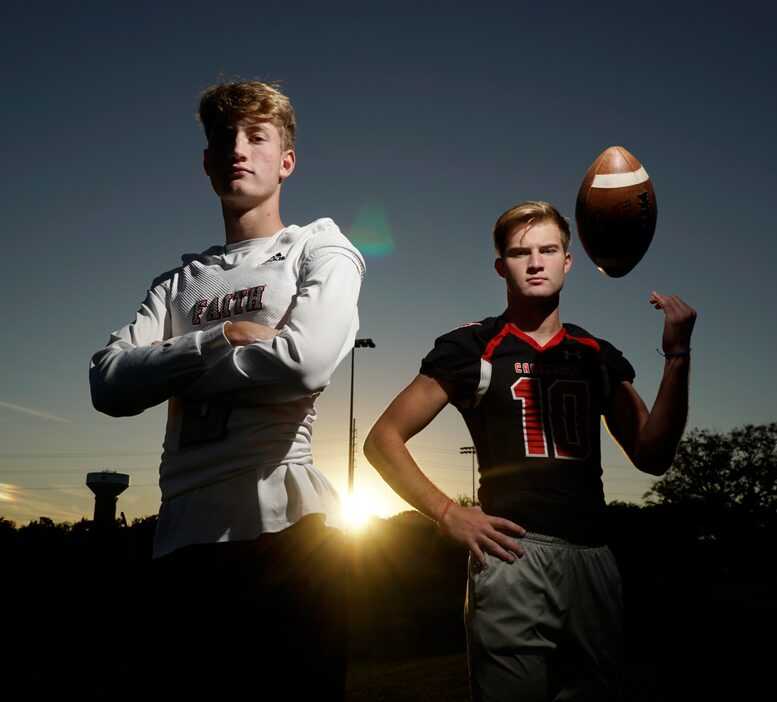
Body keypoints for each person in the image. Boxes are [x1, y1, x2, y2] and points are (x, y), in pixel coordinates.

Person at [89, 80, 365, 698]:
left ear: (285, 161)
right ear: (208, 162)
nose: (239, 149)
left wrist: (162, 368)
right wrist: (218, 340)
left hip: (288, 537)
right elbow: (107, 382)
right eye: (224, 139)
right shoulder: (176, 284)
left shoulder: (319, 246)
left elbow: (305, 362)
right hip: (181, 538)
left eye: (257, 136)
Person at [363, 200, 695, 701]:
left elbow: (653, 454)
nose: (535, 262)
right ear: (501, 267)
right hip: (515, 553)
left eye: (548, 250)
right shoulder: (473, 347)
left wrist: (677, 354)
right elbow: (382, 439)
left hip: (593, 557)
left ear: (568, 260)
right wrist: (448, 514)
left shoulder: (596, 355)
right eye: (521, 253)